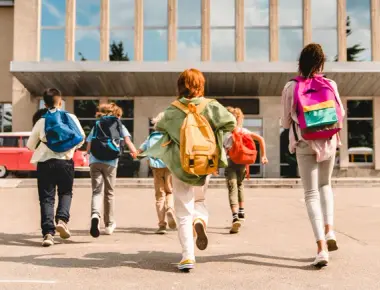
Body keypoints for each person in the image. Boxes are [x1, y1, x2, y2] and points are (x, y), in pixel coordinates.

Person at [139, 68, 236, 272]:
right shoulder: (211, 106)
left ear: (180, 86)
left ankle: (187, 256)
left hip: (180, 164)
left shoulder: (172, 110)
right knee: (199, 200)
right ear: (201, 85)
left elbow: (159, 128)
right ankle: (200, 220)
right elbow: (231, 122)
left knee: (183, 210)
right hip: (204, 163)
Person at [281, 43, 345, 267]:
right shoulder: (330, 83)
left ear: (301, 62)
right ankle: (330, 231)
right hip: (327, 140)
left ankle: (321, 249)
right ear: (321, 63)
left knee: (310, 194)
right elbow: (341, 114)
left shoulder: (291, 86)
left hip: (304, 142)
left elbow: (285, 121)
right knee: (325, 186)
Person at [27, 88, 85, 247]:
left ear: (44, 103)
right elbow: (81, 137)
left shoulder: (42, 121)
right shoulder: (70, 117)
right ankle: (62, 220)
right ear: (61, 102)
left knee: (47, 198)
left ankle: (48, 234)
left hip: (45, 163)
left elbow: (30, 145)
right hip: (65, 162)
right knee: (66, 192)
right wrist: (69, 149)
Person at [87, 103, 138, 238]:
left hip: (95, 161)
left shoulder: (97, 124)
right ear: (117, 114)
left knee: (97, 191)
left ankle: (95, 215)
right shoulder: (119, 125)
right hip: (110, 163)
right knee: (109, 193)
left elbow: (89, 143)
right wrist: (134, 152)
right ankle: (109, 224)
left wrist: (88, 154)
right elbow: (127, 141)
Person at [223, 107, 268, 234]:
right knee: (240, 185)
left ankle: (235, 216)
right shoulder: (244, 131)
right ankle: (241, 211)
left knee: (232, 187)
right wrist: (263, 155)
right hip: (243, 163)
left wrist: (215, 166)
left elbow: (221, 151)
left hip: (230, 163)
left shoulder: (226, 134)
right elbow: (261, 139)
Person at [138, 112, 177, 235]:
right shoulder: (171, 136)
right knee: (170, 191)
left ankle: (162, 225)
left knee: (160, 195)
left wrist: (136, 154)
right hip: (169, 166)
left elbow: (140, 150)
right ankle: (170, 208)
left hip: (156, 167)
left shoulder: (151, 137)